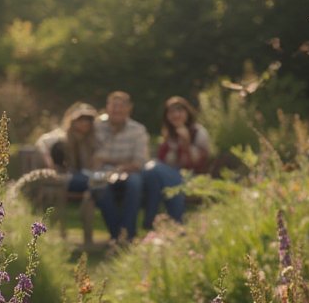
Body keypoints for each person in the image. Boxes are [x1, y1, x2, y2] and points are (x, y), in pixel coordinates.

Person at [142, 95, 211, 229]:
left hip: (191, 177)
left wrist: (186, 143)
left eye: (179, 111)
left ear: (187, 112)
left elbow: (198, 163)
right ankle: (171, 224)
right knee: (153, 175)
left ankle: (153, 222)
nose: (176, 115)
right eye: (171, 112)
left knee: (154, 170)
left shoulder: (198, 132)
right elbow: (163, 162)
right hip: (168, 178)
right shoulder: (168, 136)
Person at [91, 90, 149, 242]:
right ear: (107, 107)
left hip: (128, 173)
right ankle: (118, 235)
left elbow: (139, 162)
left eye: (121, 106)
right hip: (101, 174)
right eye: (113, 105)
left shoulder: (138, 130)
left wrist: (109, 161)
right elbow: (93, 158)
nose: (117, 109)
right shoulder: (96, 126)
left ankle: (128, 234)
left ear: (129, 108)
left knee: (135, 183)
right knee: (98, 185)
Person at [34, 101, 98, 192]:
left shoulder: (90, 140)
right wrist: (48, 162)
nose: (85, 123)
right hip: (64, 176)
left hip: (83, 174)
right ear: (73, 121)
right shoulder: (61, 135)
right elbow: (41, 143)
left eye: (88, 119)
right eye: (81, 119)